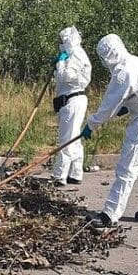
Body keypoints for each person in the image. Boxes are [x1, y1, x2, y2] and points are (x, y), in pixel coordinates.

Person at [82, 34, 138, 227]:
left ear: (105, 58)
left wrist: (91, 124)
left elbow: (108, 106)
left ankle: (109, 215)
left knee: (127, 167)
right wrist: (130, 106)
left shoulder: (123, 72)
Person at [51, 26, 92, 186]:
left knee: (66, 139)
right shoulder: (74, 54)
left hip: (73, 101)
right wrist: (58, 64)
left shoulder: (76, 55)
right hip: (71, 100)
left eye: (62, 40)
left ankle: (59, 175)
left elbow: (65, 76)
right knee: (74, 137)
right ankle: (75, 173)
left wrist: (60, 63)